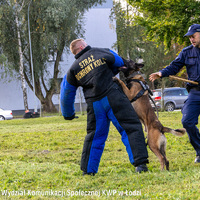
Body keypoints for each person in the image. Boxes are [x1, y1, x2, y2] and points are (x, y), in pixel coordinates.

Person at [60, 39, 149, 175]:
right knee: (130, 127)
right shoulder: (100, 51)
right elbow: (118, 61)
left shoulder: (72, 70)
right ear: (83, 46)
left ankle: (88, 171)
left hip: (94, 104)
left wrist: (68, 114)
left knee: (94, 136)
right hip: (112, 96)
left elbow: (66, 94)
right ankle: (140, 165)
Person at [149, 24, 200, 163]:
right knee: (187, 121)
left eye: (193, 36)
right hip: (194, 93)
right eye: (189, 37)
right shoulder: (186, 52)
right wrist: (161, 73)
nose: (191, 39)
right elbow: (175, 66)